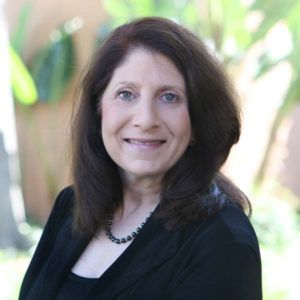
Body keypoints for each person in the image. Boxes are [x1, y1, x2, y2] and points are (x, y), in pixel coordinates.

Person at [19, 17, 262, 300]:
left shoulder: (222, 242)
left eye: (169, 97)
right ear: (99, 111)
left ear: (198, 119)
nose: (146, 120)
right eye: (126, 94)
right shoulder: (70, 207)